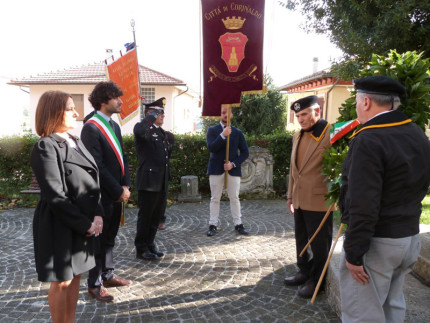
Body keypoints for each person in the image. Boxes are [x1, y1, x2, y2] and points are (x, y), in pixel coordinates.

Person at [339, 75, 430, 322]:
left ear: (366, 101)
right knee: (392, 310)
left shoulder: (369, 139)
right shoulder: (416, 133)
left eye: (357, 100)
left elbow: (363, 203)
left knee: (362, 315)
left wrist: (354, 252)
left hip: (378, 242)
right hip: (409, 238)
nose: (357, 106)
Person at [31, 91, 103, 322]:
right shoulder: (46, 146)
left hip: (82, 220)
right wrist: (86, 225)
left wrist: (98, 214)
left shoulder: (76, 141)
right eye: (70, 108)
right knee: (62, 280)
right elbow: (55, 195)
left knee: (76, 275)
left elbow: (93, 181)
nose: (77, 113)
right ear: (53, 112)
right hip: (60, 221)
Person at [81, 81, 131, 302]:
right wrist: (117, 190)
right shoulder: (91, 127)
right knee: (98, 242)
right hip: (102, 195)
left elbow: (123, 157)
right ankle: (94, 284)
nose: (121, 101)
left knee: (110, 237)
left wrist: (126, 185)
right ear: (103, 100)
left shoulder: (114, 126)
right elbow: (96, 166)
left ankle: (108, 274)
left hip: (118, 192)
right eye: (116, 97)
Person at [284, 95, 333, 299]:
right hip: (299, 198)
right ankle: (304, 271)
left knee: (320, 244)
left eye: (304, 114)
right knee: (301, 239)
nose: (301, 119)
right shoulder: (297, 136)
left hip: (320, 199)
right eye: (297, 115)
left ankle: (317, 280)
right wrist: (289, 196)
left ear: (317, 112)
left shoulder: (332, 133)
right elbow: (294, 169)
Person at [134, 97, 170, 260]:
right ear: (150, 113)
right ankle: (141, 248)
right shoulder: (143, 129)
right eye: (159, 112)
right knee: (146, 217)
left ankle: (150, 244)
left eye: (162, 112)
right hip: (148, 182)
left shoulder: (161, 133)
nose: (163, 115)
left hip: (160, 181)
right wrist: (149, 117)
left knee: (155, 217)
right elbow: (140, 131)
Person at [206, 106, 249, 237]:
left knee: (234, 198)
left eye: (228, 113)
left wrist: (233, 164)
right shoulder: (212, 130)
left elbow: (245, 152)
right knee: (215, 198)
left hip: (232, 170)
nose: (225, 115)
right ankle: (212, 224)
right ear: (220, 115)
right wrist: (222, 136)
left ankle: (238, 224)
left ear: (232, 115)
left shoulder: (238, 132)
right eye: (223, 112)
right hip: (215, 170)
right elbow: (211, 148)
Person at [158, 130, 175, 230]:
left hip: (164, 174)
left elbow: (168, 156)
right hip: (154, 174)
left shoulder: (169, 141)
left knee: (163, 200)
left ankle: (160, 220)